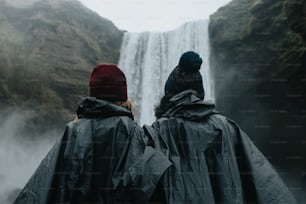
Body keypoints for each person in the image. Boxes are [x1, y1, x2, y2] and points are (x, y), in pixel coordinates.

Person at [145, 51, 297, 203]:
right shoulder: (227, 128)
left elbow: (141, 185)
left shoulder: (157, 132)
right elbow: (265, 183)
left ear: (169, 93)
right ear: (199, 92)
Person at [14, 64, 171, 204]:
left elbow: (43, 188)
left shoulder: (72, 132)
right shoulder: (138, 135)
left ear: (92, 96)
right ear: (123, 98)